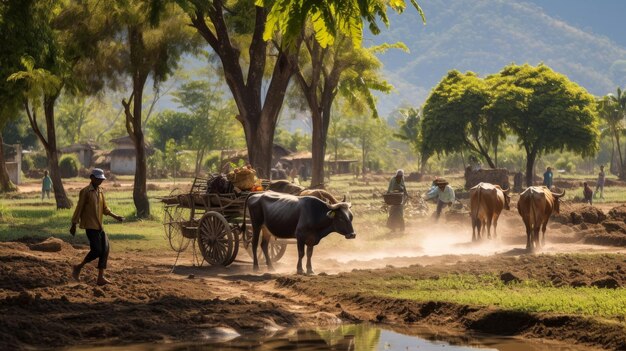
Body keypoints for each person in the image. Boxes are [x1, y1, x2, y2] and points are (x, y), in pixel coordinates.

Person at [70, 168, 124, 285]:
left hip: (99, 226)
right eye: (98, 179)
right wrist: (74, 223)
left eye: (101, 179)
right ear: (92, 178)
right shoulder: (85, 192)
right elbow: (79, 208)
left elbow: (105, 209)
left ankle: (100, 277)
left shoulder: (100, 192)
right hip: (90, 226)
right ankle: (78, 267)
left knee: (105, 249)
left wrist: (116, 216)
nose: (100, 181)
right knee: (97, 250)